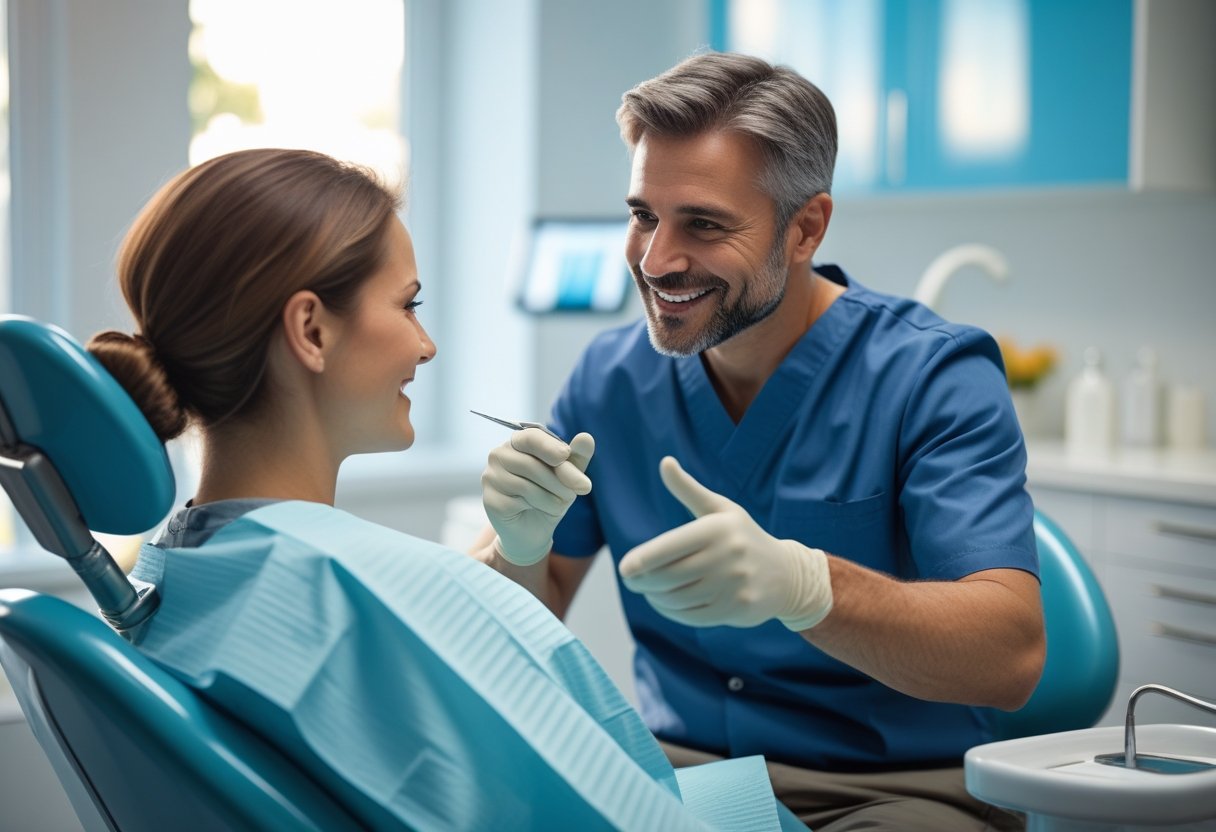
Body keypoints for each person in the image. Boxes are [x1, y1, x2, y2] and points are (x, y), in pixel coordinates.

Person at [88, 147, 804, 831]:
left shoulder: (171, 571)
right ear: (310, 329)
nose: (425, 345)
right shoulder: (352, 589)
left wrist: (501, 565)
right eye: (408, 305)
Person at [477, 52, 1045, 831]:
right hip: (677, 782)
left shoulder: (932, 374)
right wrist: (515, 544)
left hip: (895, 791)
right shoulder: (611, 378)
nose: (656, 259)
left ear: (805, 226)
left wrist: (806, 586)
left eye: (703, 224)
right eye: (644, 214)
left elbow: (1008, 658)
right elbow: (521, 619)